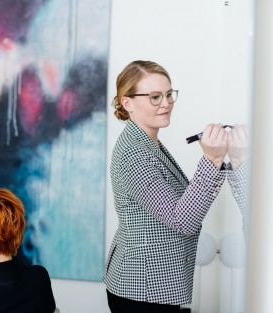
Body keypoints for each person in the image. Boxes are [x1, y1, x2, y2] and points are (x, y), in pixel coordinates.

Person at [103, 60, 232, 313]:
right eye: (154, 97)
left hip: (152, 286)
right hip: (141, 289)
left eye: (168, 94)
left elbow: (182, 203)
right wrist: (212, 159)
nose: (166, 103)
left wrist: (219, 163)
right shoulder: (134, 154)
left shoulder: (147, 143)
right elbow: (182, 219)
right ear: (127, 102)